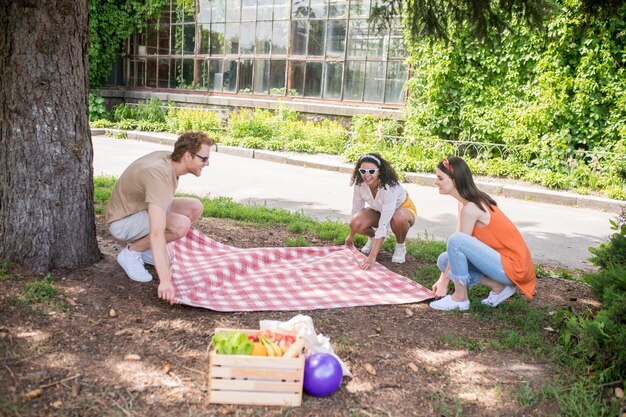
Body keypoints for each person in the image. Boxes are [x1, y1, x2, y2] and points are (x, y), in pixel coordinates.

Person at [105, 131, 216, 304]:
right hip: (123, 221)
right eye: (204, 159)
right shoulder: (159, 175)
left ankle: (146, 249)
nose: (207, 163)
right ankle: (132, 253)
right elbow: (157, 231)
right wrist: (165, 281)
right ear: (188, 156)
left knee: (194, 207)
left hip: (141, 209)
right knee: (180, 225)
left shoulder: (170, 161)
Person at [429, 156, 536, 311]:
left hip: (514, 268)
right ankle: (498, 287)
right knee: (444, 260)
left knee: (456, 241)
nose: (436, 182)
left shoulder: (471, 208)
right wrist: (442, 279)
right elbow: (457, 247)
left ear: (455, 180)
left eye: (440, 178)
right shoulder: (465, 204)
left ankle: (459, 298)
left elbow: (458, 241)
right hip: (500, 263)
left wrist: (445, 282)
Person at [344, 153, 417, 269]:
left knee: (399, 218)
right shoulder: (360, 184)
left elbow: (384, 224)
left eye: (371, 171)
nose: (366, 175)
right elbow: (356, 210)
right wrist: (351, 236)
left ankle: (400, 245)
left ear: (379, 171)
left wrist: (372, 257)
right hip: (379, 210)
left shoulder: (389, 188)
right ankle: (373, 239)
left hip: (403, 210)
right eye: (363, 171)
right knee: (356, 222)